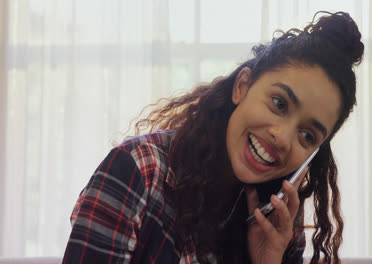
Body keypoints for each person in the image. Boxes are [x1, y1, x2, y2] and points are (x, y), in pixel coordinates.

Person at [62, 11, 364, 264]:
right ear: (242, 86)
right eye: (279, 103)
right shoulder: (138, 171)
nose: (283, 138)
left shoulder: (278, 222)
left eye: (308, 135)